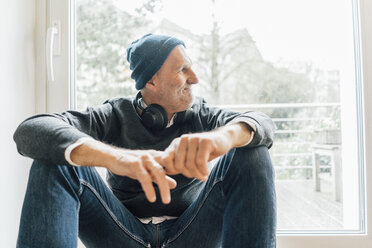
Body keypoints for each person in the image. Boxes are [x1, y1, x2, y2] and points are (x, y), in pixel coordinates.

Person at [14, 33, 276, 248]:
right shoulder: (114, 114)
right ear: (151, 80)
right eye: (183, 69)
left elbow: (263, 124)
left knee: (251, 150)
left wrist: (223, 138)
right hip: (121, 233)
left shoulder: (201, 114)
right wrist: (117, 158)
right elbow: (31, 129)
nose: (194, 78)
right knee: (55, 159)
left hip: (192, 233)